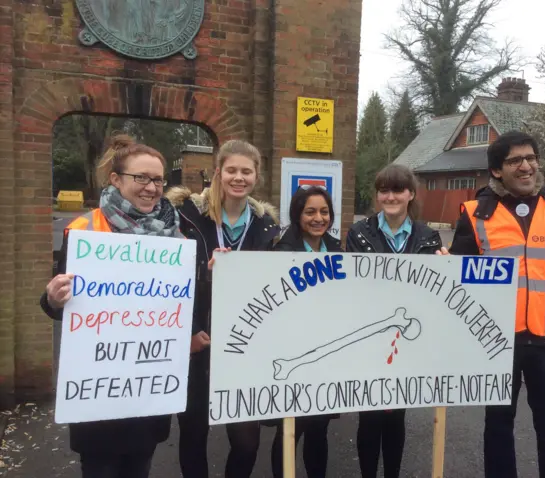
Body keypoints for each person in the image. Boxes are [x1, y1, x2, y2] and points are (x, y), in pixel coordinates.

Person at [40, 134, 180, 478]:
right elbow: (60, 304)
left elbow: (183, 300)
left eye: (158, 179)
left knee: (139, 466)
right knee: (100, 468)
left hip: (147, 384)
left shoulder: (176, 235)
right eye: (141, 178)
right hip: (98, 389)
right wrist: (53, 299)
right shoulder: (85, 229)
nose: (151, 187)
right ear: (116, 180)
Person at [449, 131, 545, 478]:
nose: (526, 166)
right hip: (498, 341)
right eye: (515, 160)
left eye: (531, 158)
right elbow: (459, 280)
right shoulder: (475, 215)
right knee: (499, 427)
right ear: (497, 170)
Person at [166, 139, 280, 478]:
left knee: (246, 443)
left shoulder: (266, 227)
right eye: (231, 170)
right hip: (197, 340)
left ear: (256, 176)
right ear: (218, 172)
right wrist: (204, 273)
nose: (238, 177)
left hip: (244, 346)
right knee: (194, 435)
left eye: (247, 171)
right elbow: (166, 277)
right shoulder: (185, 217)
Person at [346, 164, 445, 478]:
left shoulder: (428, 236)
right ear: (377, 195)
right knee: (370, 415)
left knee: (396, 414)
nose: (390, 196)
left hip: (408, 337)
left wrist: (448, 267)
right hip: (370, 335)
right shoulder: (359, 233)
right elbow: (350, 285)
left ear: (410, 194)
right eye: (384, 190)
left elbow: (437, 290)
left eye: (398, 190)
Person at [269, 185, 342, 478]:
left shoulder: (338, 249)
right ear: (297, 215)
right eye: (310, 211)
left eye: (324, 211)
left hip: (326, 350)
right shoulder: (281, 251)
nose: (318, 218)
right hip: (292, 350)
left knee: (319, 428)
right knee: (290, 428)